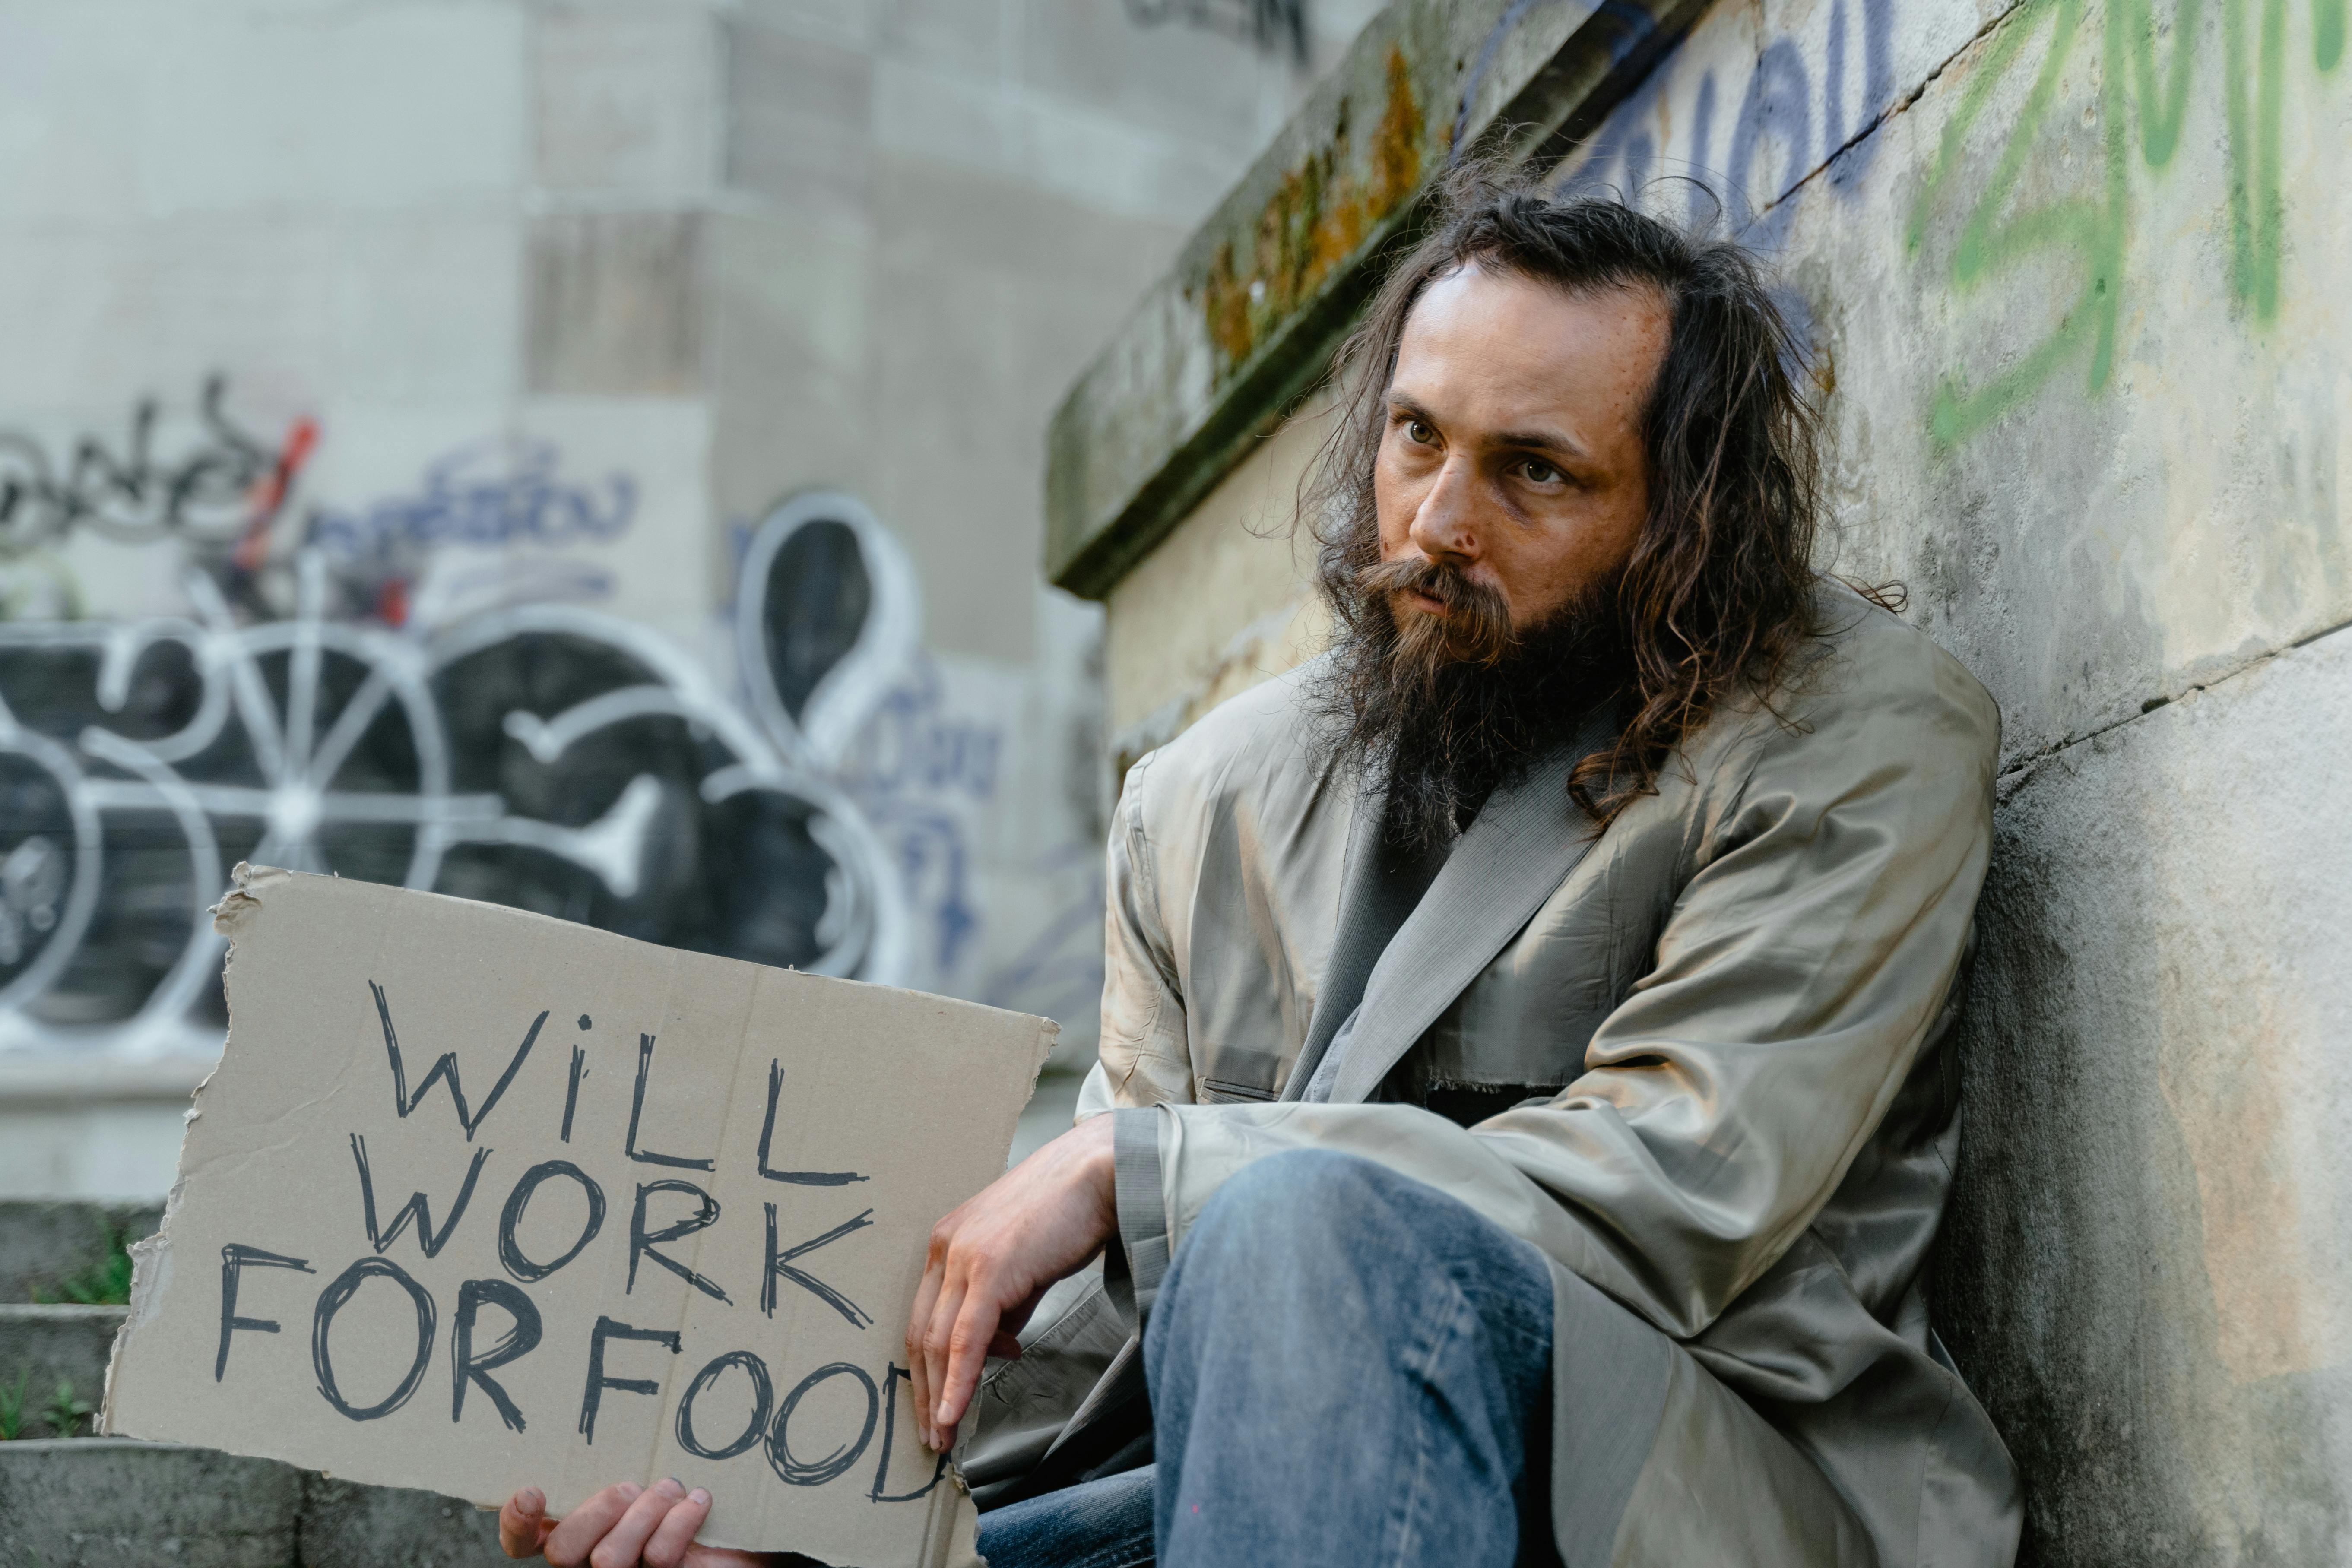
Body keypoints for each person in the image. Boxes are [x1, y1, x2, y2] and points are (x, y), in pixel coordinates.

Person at [499, 177, 2021, 1568]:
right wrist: (799, 1512)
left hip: (1697, 1492)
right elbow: (1091, 1349)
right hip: (1246, 1498)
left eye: (1535, 474)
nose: (1436, 524)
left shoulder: (1860, 733)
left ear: (1681, 519)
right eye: (1417, 436)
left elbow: (1680, 1189)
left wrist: (1138, 1169)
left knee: (1298, 1232)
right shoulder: (1197, 800)